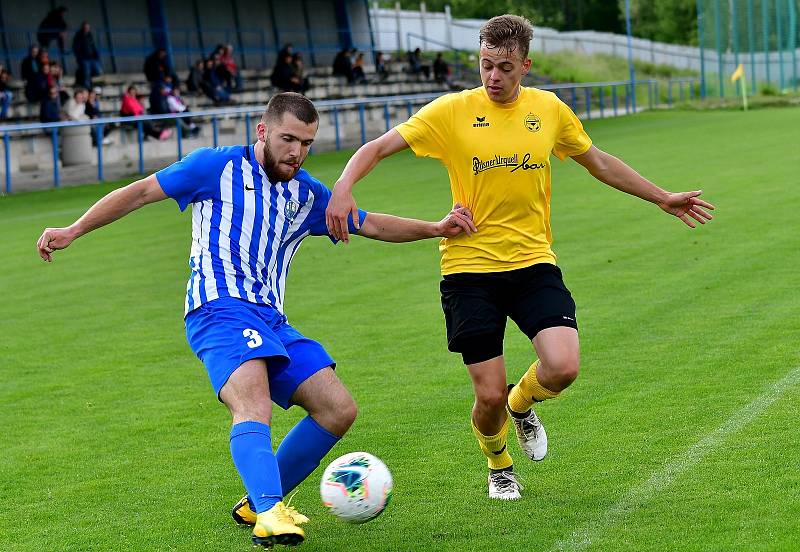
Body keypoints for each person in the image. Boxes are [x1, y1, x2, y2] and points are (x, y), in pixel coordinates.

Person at [36, 92, 475, 548]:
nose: (296, 152)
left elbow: (369, 224)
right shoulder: (215, 167)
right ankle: (269, 512)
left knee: (337, 409)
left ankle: (256, 501)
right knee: (253, 404)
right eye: (288, 139)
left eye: (306, 143)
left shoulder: (307, 193)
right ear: (262, 131)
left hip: (270, 319)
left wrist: (435, 228)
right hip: (217, 308)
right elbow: (141, 192)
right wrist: (73, 230)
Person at [325, 14, 715, 501]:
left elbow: (599, 161)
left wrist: (661, 196)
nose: (493, 77)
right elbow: (378, 147)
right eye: (486, 65)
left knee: (563, 366)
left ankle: (523, 403)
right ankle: (499, 463)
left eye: (505, 67)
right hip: (469, 268)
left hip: (532, 260)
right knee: (485, 395)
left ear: (525, 65)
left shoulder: (549, 110)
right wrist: (343, 187)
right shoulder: (451, 111)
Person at [72, 21, 103, 89]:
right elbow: (75, 48)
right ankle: (88, 87)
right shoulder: (78, 36)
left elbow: (93, 46)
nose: (87, 29)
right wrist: (79, 58)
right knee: (87, 73)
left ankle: (84, 77)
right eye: (85, 27)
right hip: (84, 59)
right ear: (82, 28)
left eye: (88, 28)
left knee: (99, 71)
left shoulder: (90, 35)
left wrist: (96, 56)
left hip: (92, 58)